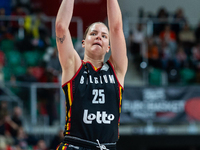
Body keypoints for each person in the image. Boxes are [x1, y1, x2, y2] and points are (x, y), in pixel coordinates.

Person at [55, 0, 128, 149]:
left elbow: (116, 28)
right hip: (75, 145)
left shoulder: (117, 70)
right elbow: (61, 27)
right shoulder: (74, 67)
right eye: (93, 33)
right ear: (83, 43)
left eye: (103, 35)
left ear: (109, 47)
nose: (98, 37)